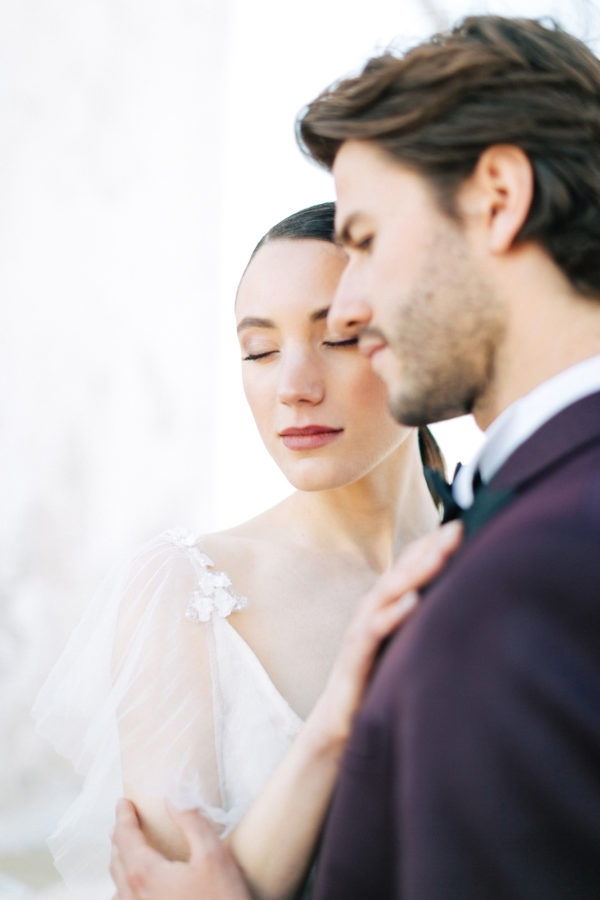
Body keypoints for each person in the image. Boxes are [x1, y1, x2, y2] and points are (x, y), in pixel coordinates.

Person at [112, 14, 600, 900]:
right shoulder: (518, 523)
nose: (360, 308)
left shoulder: (522, 565)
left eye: (367, 246)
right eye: (256, 351)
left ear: (499, 196)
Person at [34, 202, 459, 899]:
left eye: (339, 337)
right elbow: (168, 888)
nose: (292, 386)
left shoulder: (496, 549)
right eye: (259, 351)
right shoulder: (188, 587)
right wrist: (330, 729)